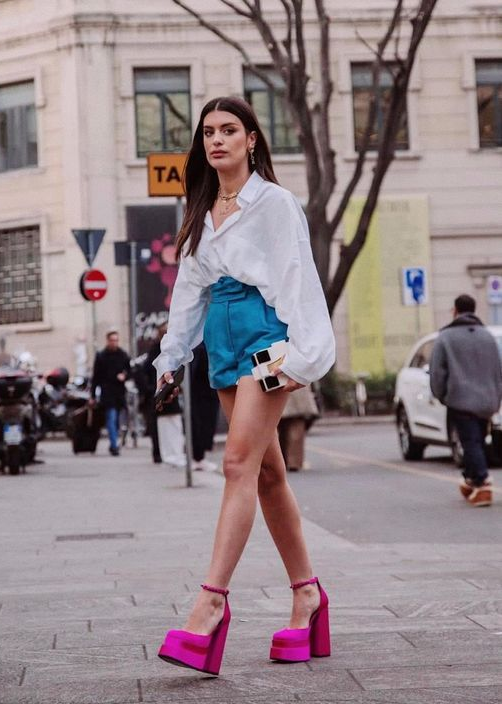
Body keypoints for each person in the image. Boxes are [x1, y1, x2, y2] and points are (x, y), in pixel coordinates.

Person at [153, 96, 335, 675]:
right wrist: (171, 356)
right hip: (222, 340)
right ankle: (307, 595)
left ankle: (209, 606)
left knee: (236, 464)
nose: (217, 140)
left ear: (252, 139)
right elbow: (190, 289)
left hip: (264, 337)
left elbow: (296, 279)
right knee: (267, 472)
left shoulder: (275, 204)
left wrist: (302, 357)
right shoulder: (204, 207)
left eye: (229, 130)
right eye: (208, 132)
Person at [430, 294, 502, 507]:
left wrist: (442, 395)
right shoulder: (487, 336)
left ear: (455, 310)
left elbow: (437, 372)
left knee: (469, 442)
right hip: (488, 400)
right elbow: (498, 370)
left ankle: (481, 482)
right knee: (477, 440)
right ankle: (470, 479)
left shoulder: (446, 338)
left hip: (460, 398)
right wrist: (496, 397)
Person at [141, 323, 185, 467]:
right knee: (164, 427)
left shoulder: (171, 349)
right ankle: (168, 455)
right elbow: (147, 371)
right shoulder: (156, 351)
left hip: (170, 392)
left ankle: (176, 454)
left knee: (174, 425)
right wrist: (151, 389)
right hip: (162, 393)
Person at [90, 329, 130, 456]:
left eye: (116, 340)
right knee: (111, 418)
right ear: (108, 341)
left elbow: (130, 371)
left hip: (119, 392)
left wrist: (125, 375)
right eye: (112, 340)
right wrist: (92, 395)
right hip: (107, 392)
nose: (114, 343)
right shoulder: (101, 356)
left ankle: (115, 442)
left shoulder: (122, 355)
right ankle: (114, 445)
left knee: (117, 419)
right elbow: (95, 377)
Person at [191, 342, 220, 472]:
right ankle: (198, 457)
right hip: (205, 394)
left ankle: (199, 457)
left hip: (204, 393)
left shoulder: (200, 348)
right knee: (203, 425)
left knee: (203, 425)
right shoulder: (203, 348)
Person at [278, 385, 319, 472]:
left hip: (278, 386)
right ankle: (294, 462)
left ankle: (280, 461)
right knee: (296, 428)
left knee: (278, 429)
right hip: (298, 386)